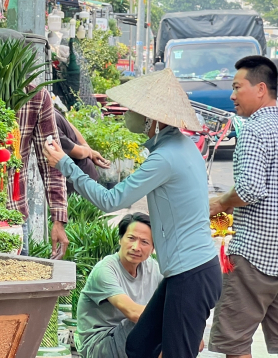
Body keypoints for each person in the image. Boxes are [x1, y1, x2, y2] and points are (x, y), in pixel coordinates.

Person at [42, 69, 221, 358]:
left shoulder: (165, 158)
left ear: (154, 119)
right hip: (189, 272)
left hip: (191, 275)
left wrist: (66, 164)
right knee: (139, 346)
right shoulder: (182, 146)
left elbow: (111, 200)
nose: (128, 115)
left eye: (133, 110)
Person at [208, 56, 278, 358]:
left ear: (260, 89)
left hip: (257, 254)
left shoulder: (253, 130)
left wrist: (219, 203)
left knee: (235, 340)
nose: (232, 95)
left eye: (237, 87)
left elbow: (249, 190)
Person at [0, 28, 70, 258]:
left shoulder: (36, 97)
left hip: (13, 214)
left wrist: (58, 218)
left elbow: (52, 161)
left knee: (15, 288)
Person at [75, 212, 163, 358]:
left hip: (129, 339)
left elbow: (178, 300)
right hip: (100, 345)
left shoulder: (153, 268)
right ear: (120, 240)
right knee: (146, 322)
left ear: (153, 248)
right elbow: (133, 313)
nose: (136, 247)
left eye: (144, 242)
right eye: (131, 238)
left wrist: (192, 332)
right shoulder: (105, 269)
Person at [54, 106, 111, 191]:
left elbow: (69, 124)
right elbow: (78, 153)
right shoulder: (46, 117)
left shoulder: (48, 109)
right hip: (75, 180)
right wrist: (88, 151)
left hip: (82, 178)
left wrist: (88, 149)